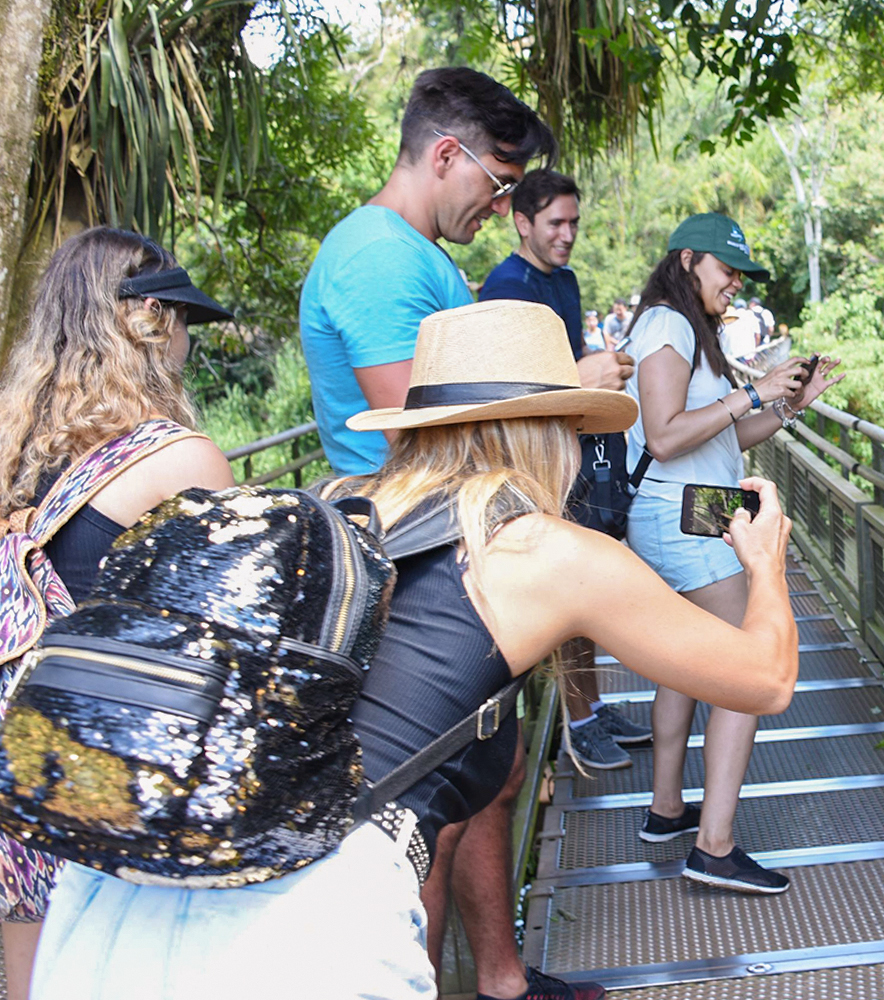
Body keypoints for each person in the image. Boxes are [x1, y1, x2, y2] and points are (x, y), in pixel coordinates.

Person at [30, 299, 800, 1000]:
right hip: (299, 933)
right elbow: (764, 680)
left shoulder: (337, 502)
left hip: (115, 898)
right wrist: (764, 563)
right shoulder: (538, 551)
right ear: (545, 428)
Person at [297, 68, 571, 1000]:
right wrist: (560, 392)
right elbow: (415, 419)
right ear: (444, 154)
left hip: (458, 545)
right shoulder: (377, 257)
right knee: (424, 816)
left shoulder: (419, 255)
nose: (500, 209)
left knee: (483, 781)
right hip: (411, 560)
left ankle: (500, 979)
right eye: (497, 184)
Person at [0, 228, 236, 998]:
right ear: (148, 319)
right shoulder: (176, 458)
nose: (187, 345)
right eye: (184, 323)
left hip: (18, 768)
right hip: (120, 783)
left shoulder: (13, 450)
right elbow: (234, 640)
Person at [622, 213, 841, 893]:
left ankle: (667, 811)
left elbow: (716, 441)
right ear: (688, 260)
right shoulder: (669, 324)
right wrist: (753, 388)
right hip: (677, 509)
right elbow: (662, 437)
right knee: (747, 667)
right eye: (727, 270)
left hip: (696, 502)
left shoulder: (691, 330)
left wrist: (787, 406)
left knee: (685, 663)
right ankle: (713, 847)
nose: (736, 285)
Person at [478, 169, 646, 773]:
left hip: (574, 451)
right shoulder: (506, 287)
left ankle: (593, 706)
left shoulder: (564, 280)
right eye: (556, 223)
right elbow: (505, 388)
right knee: (568, 589)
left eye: (574, 222)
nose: (568, 234)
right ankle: (577, 720)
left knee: (586, 580)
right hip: (532, 463)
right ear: (522, 223)